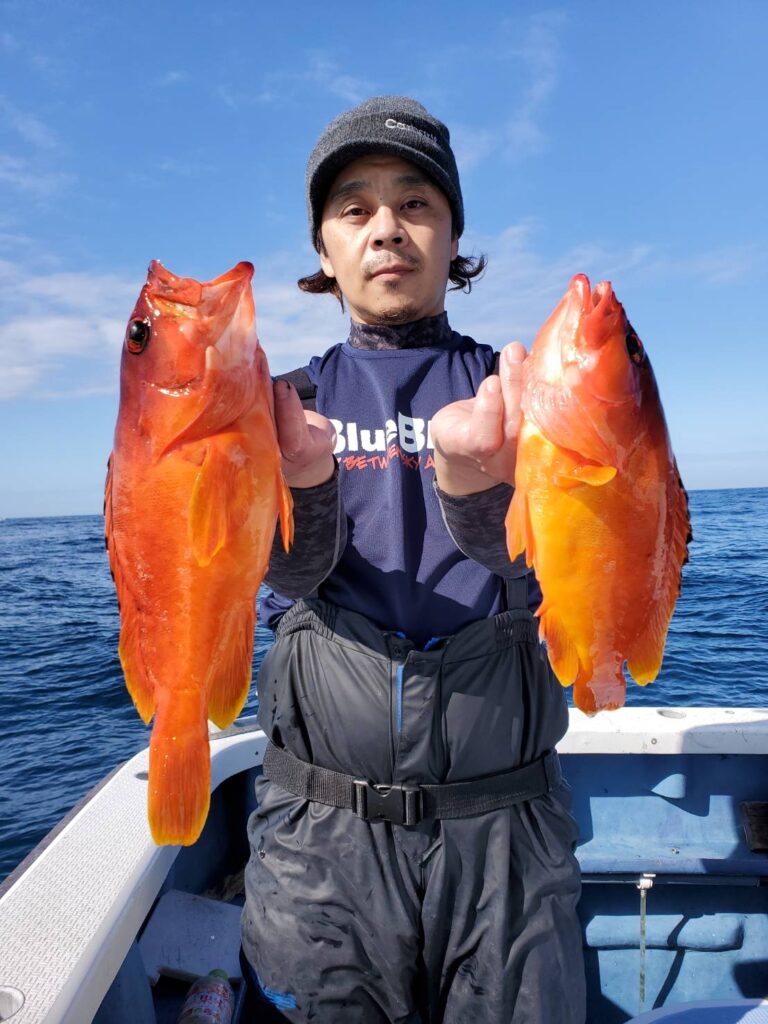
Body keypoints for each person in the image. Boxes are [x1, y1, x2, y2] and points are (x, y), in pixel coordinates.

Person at [240, 95, 585, 1024]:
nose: (386, 228)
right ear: (324, 250)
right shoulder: (284, 405)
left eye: (416, 204)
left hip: (507, 833)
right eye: (355, 209)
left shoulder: (522, 397)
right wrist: (308, 486)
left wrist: (476, 497)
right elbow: (283, 584)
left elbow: (563, 582)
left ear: (453, 236)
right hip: (319, 842)